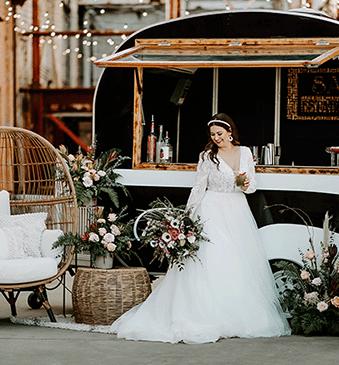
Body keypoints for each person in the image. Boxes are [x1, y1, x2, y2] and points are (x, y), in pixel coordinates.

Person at [111, 113, 291, 343]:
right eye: (212, 134)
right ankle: (204, 313)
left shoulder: (244, 152)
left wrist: (246, 184)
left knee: (236, 260)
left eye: (219, 133)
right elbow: (199, 186)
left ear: (229, 132)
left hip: (237, 210)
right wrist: (187, 217)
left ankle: (235, 313)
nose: (216, 138)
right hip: (211, 209)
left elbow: (252, 185)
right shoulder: (208, 156)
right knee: (210, 258)